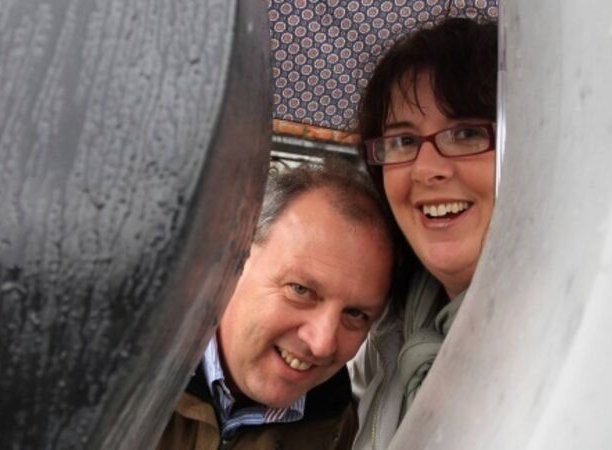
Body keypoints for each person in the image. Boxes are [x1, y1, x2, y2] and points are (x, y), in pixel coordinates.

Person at [158, 159, 397, 450]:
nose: (322, 344)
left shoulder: (338, 426)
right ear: (234, 261)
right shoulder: (123, 368)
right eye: (300, 290)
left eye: (355, 314)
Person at [348, 17, 498, 449]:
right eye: (402, 141)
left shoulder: (588, 339)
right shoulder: (384, 338)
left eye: (466, 133)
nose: (426, 169)